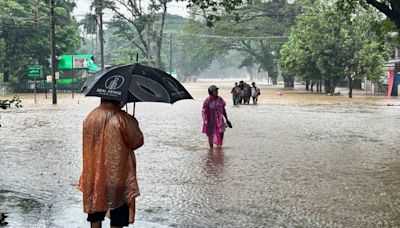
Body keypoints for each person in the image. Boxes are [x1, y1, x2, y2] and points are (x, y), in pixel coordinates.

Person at [78, 99, 144, 228]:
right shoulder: (122, 119)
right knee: (118, 215)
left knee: (95, 213)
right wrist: (133, 122)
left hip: (94, 174)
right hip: (117, 175)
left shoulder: (90, 116)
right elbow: (137, 142)